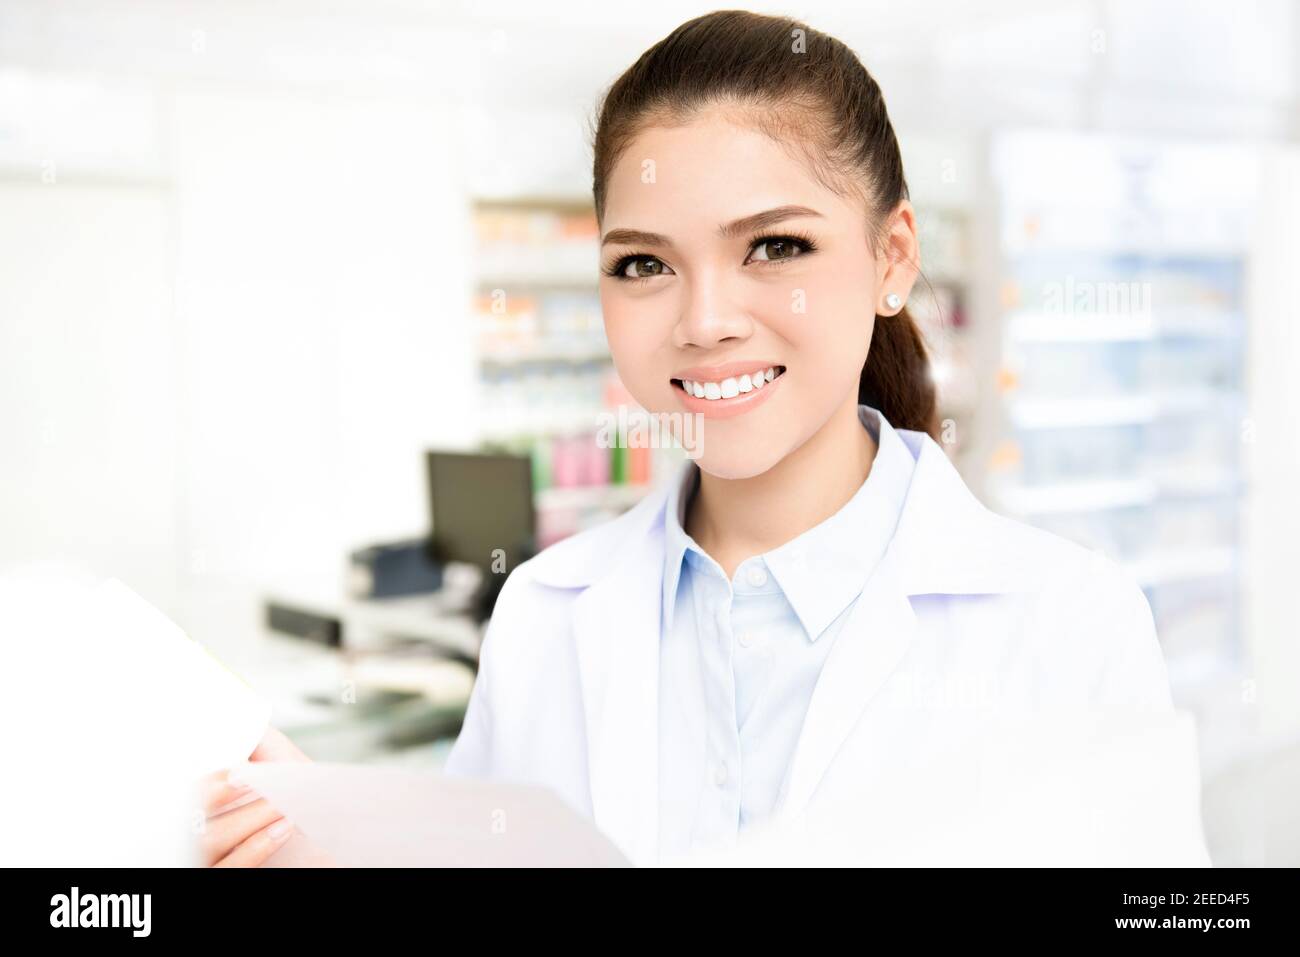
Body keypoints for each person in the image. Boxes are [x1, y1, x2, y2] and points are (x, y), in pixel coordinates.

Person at [204, 10, 1205, 867]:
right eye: (644, 265)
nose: (704, 320)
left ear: (891, 257)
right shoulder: (545, 619)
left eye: (775, 246)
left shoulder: (1068, 624)